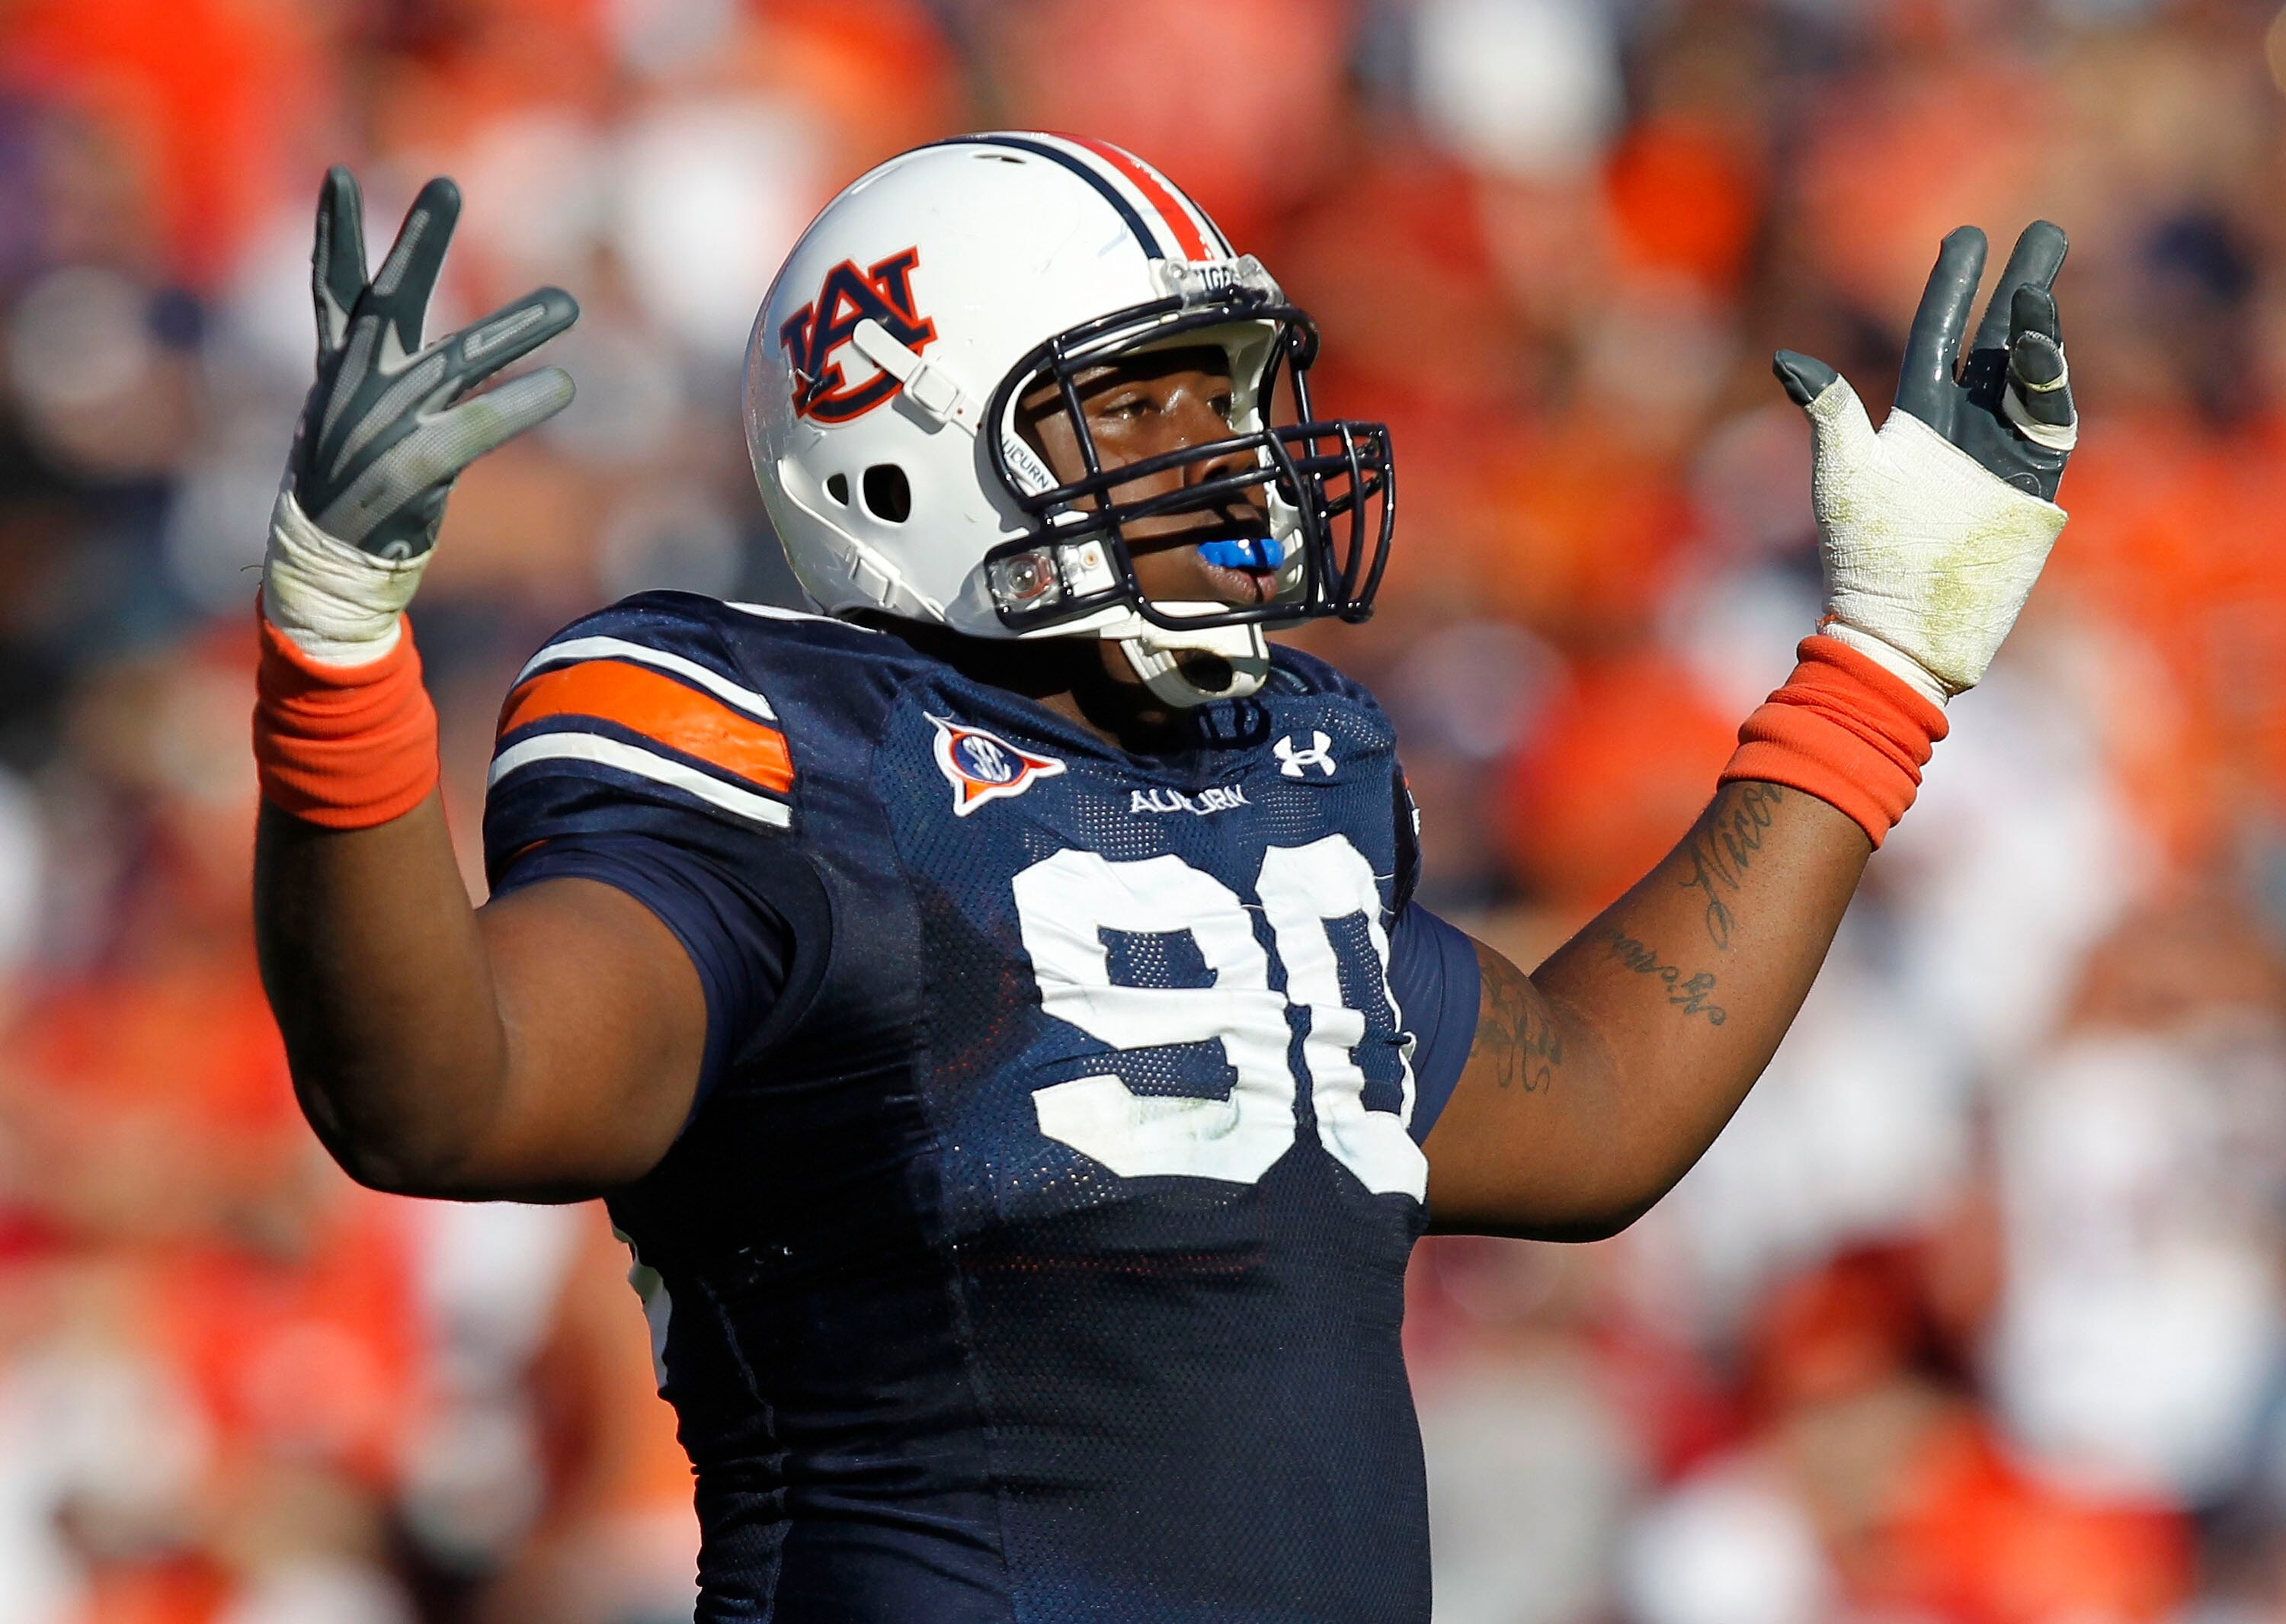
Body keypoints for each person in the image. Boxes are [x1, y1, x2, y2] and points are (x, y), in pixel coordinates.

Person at [249, 136, 2078, 1622]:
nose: (1229, 463)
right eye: (1135, 413)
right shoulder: (799, 758)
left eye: (1229, 399)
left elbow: (1598, 1107)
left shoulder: (1278, 774)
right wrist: (338, 654)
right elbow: (447, 1094)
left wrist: (1884, 660)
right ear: (899, 458)